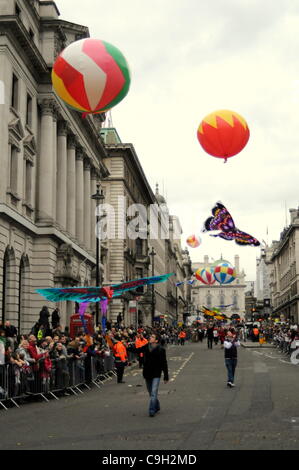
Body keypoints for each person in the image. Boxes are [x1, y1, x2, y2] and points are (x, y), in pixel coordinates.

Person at [136, 333, 169, 417]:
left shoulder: (161, 350)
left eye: (152, 337)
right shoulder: (146, 347)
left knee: (154, 393)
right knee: (151, 393)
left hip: (156, 373)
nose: (150, 337)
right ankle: (157, 406)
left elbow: (164, 363)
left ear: (156, 340)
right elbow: (138, 350)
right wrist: (126, 347)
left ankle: (151, 410)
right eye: (150, 336)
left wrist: (166, 376)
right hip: (147, 373)